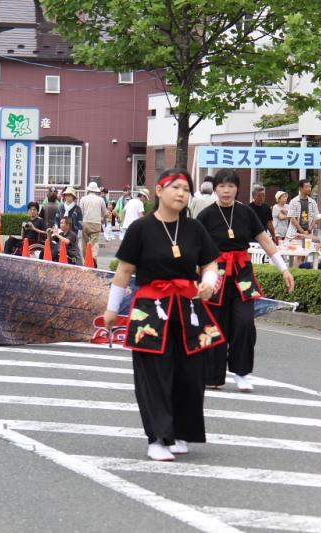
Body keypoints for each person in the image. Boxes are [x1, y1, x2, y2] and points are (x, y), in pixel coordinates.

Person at [104, 168, 223, 461]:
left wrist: (208, 283)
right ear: (159, 191)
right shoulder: (141, 228)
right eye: (175, 187)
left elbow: (210, 265)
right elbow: (124, 271)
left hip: (189, 308)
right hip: (151, 310)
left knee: (191, 374)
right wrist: (111, 309)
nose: (182, 193)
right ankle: (157, 438)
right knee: (154, 374)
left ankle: (181, 432)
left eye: (186, 189)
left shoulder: (195, 229)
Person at [197, 169, 295, 392]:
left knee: (244, 323)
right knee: (214, 324)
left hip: (242, 275)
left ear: (237, 189)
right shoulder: (206, 216)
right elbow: (196, 249)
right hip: (214, 276)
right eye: (222, 186)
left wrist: (285, 270)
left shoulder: (246, 213)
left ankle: (241, 373)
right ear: (215, 189)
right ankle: (212, 375)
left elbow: (266, 242)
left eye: (231, 186)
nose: (226, 190)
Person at [79, 182, 108, 256]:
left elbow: (80, 212)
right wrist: (103, 219)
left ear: (89, 190)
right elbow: (105, 212)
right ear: (96, 190)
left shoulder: (83, 199)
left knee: (84, 242)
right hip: (96, 222)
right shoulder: (101, 200)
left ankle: (86, 259)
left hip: (85, 222)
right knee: (94, 242)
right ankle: (92, 257)